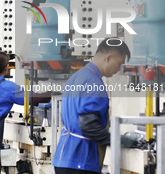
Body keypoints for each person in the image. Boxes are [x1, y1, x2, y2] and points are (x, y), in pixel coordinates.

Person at [52, 38, 131, 174]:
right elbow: (88, 126)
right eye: (119, 64)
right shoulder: (95, 84)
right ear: (109, 58)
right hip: (82, 161)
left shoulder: (75, 78)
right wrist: (120, 140)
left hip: (63, 158)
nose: (118, 70)